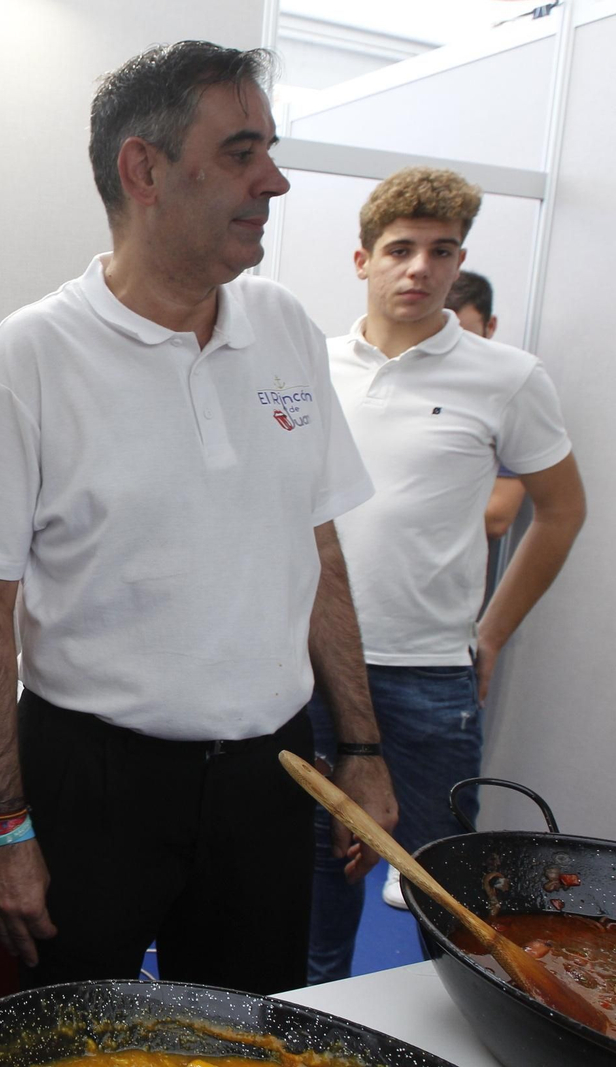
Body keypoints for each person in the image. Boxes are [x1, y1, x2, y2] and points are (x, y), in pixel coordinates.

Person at [0, 40, 396, 996]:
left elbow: (318, 550)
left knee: (244, 1031)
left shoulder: (287, 330)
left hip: (270, 775)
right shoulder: (33, 354)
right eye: (241, 153)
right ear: (144, 169)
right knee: (74, 1033)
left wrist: (363, 746)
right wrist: (3, 825)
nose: (275, 181)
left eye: (269, 152)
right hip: (94, 779)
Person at [308, 168, 585, 980]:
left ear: (460, 260)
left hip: (430, 676)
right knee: (316, 883)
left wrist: (491, 632)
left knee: (442, 891)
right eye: (400, 249)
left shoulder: (507, 376)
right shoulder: (311, 366)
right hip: (314, 668)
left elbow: (561, 511)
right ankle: (310, 1019)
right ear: (362, 259)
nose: (419, 268)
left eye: (441, 251)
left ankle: (456, 1018)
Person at [445, 271, 528, 543]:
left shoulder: (506, 396)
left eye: (464, 338)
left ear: (490, 327)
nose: (448, 350)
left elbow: (497, 517)